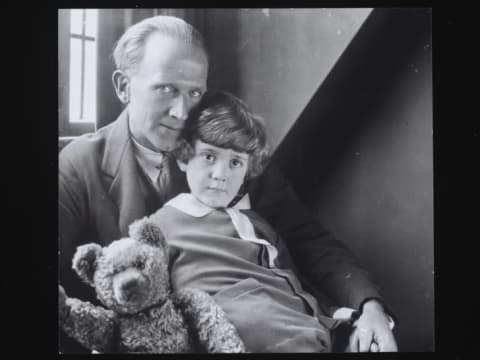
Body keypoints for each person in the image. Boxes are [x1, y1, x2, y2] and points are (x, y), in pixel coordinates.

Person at [59, 15, 397, 353]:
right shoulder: (78, 165)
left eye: (194, 93)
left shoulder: (227, 151)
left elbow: (306, 238)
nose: (181, 111)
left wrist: (370, 307)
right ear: (123, 86)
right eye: (166, 89)